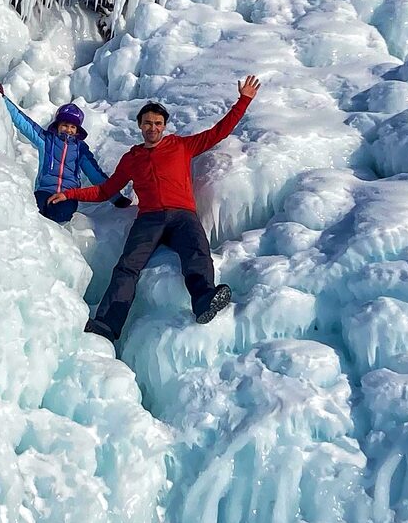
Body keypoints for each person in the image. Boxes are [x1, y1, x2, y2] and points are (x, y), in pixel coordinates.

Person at [51, 76, 261, 341]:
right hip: (149, 219)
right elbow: (105, 190)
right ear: (140, 125)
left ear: (164, 126)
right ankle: (106, 323)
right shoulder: (132, 158)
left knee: (197, 251)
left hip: (183, 215)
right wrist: (69, 194)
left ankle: (204, 300)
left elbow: (218, 131)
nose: (153, 127)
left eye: (158, 123)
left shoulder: (181, 146)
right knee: (127, 267)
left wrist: (244, 100)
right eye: (148, 123)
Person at [0, 85, 128, 223]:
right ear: (58, 125)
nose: (68, 130)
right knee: (35, 213)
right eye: (65, 125)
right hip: (44, 190)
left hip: (68, 195)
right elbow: (24, 123)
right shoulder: (46, 140)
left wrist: (116, 197)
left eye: (72, 127)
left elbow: (95, 174)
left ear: (77, 130)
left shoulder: (80, 149)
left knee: (60, 214)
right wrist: (3, 99)